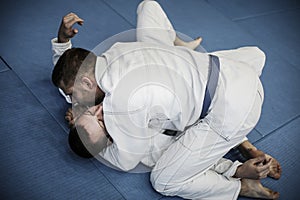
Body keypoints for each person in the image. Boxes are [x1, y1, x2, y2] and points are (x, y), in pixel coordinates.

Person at [51, 1, 281, 199]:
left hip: (234, 108)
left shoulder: (122, 106)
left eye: (72, 95)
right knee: (148, 6)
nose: (73, 100)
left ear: (87, 84)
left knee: (164, 180)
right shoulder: (114, 51)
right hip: (230, 70)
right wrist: (62, 43)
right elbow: (72, 72)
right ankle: (176, 46)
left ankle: (240, 186)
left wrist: (90, 141)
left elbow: (126, 160)